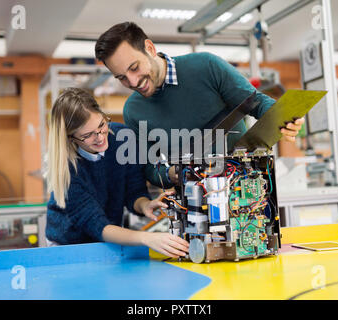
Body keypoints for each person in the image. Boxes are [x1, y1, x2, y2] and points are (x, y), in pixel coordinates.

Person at [95, 22, 305, 189]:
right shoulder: (133, 111)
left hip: (244, 190)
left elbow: (257, 103)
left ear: (149, 48)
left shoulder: (206, 66)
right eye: (122, 77)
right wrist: (171, 174)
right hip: (193, 203)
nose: (132, 82)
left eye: (134, 67)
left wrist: (284, 117)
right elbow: (150, 168)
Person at [45, 87, 189, 258]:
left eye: (101, 125)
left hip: (108, 239)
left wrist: (145, 205)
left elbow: (134, 192)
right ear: (71, 138)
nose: (100, 137)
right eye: (88, 135)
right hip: (68, 246)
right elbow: (99, 227)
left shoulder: (122, 138)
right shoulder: (66, 171)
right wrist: (147, 238)